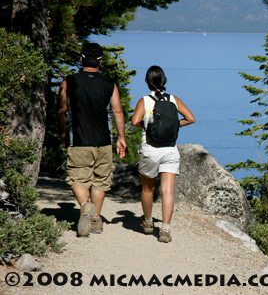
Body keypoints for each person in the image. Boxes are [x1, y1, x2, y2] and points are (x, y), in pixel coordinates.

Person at [57, 42, 127, 237]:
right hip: (103, 140)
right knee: (101, 180)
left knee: (78, 178)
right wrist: (121, 138)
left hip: (78, 139)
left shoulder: (68, 81)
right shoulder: (109, 83)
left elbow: (62, 110)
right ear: (100, 62)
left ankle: (85, 206)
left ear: (81, 60)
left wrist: (63, 133)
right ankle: (96, 219)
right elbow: (117, 110)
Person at [131, 65, 195, 243]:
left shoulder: (144, 100)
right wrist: (174, 125)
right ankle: (165, 229)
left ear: (146, 81)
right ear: (164, 81)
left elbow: (135, 121)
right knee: (168, 191)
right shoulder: (174, 99)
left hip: (150, 148)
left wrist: (147, 126)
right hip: (170, 149)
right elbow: (191, 118)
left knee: (147, 188)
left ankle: (149, 222)